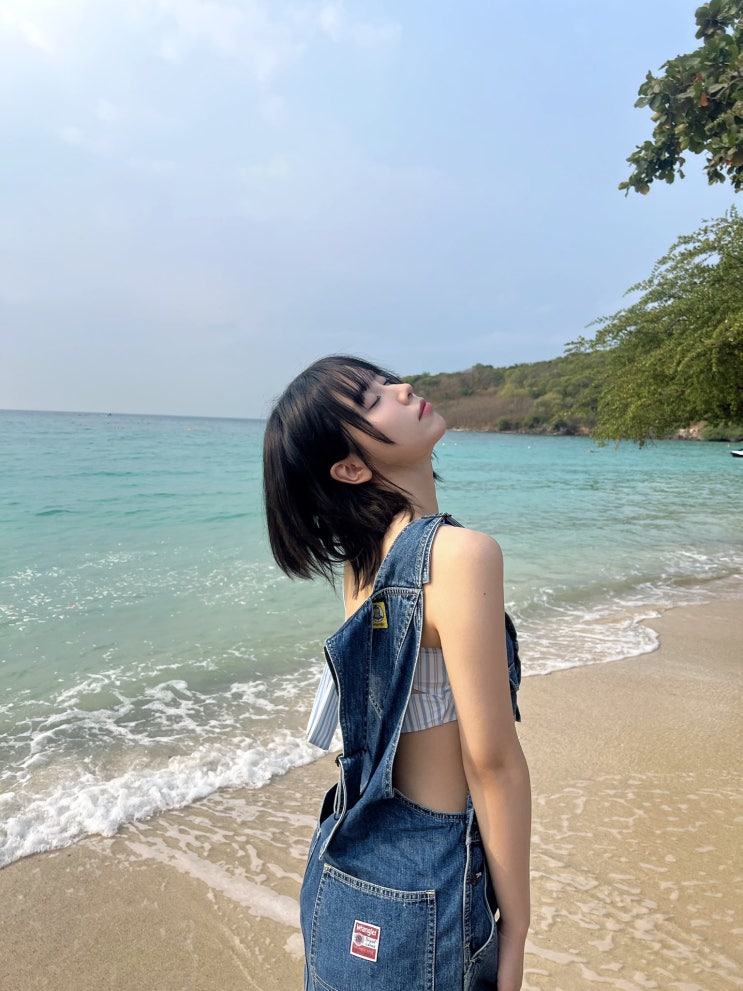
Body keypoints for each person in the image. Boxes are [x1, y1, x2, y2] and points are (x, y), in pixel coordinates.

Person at [263, 355, 531, 991]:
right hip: (427, 887)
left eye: (384, 382)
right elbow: (491, 763)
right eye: (372, 399)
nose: (403, 389)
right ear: (351, 468)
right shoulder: (461, 555)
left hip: (344, 870)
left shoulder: (363, 565)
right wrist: (517, 926)